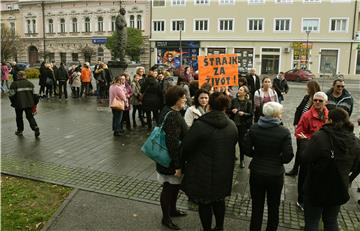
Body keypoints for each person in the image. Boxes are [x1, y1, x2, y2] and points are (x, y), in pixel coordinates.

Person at [181, 92, 238, 231]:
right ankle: (219, 227)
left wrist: (181, 165)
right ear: (225, 108)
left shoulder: (200, 125)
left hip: (202, 170)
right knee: (219, 199)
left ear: (209, 106)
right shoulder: (231, 125)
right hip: (223, 169)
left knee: (205, 203)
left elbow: (186, 147)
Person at [301, 108, 360, 231]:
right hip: (339, 186)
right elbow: (356, 165)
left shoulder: (320, 137)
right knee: (331, 220)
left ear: (330, 120)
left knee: (312, 221)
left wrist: (306, 143)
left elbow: (306, 158)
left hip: (316, 186)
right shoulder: (354, 141)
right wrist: (347, 176)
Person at [244, 101, 294, 231]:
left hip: (256, 171)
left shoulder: (254, 128)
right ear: (276, 114)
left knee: (257, 207)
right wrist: (278, 160)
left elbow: (246, 149)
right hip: (275, 174)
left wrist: (257, 155)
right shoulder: (283, 131)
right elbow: (288, 156)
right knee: (273, 207)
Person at [157, 86, 188, 230]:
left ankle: (173, 210)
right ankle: (166, 218)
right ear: (176, 100)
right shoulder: (173, 116)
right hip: (170, 160)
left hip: (167, 158)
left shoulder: (168, 110)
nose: (185, 99)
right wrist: (177, 165)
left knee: (174, 186)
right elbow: (172, 142)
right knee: (168, 188)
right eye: (183, 98)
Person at [295, 91, 329, 211]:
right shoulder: (306, 115)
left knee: (319, 177)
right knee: (304, 175)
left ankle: (315, 198)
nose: (317, 102)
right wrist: (311, 140)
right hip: (309, 151)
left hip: (323, 154)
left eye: (320, 100)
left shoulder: (329, 116)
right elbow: (299, 132)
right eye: (315, 100)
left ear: (326, 102)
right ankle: (301, 200)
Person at [286, 80, 320, 176]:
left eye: (308, 87)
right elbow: (299, 109)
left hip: (309, 130)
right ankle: (295, 169)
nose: (306, 88)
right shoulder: (307, 97)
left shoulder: (317, 100)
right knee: (299, 149)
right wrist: (296, 123)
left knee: (306, 150)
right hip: (301, 127)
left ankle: (304, 171)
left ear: (312, 88)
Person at [8, 71, 40, 137]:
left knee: (19, 117)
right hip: (29, 103)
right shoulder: (30, 84)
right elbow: (35, 95)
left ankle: (20, 130)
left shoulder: (14, 84)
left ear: (18, 76)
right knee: (30, 117)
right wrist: (34, 103)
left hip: (18, 104)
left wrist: (13, 102)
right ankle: (35, 127)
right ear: (25, 76)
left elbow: (11, 95)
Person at [230, 85, 253, 168]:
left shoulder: (249, 102)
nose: (239, 91)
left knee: (241, 143)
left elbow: (251, 114)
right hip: (233, 124)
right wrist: (232, 111)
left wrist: (244, 114)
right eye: (239, 89)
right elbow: (229, 110)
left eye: (241, 90)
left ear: (245, 93)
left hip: (243, 125)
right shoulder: (234, 100)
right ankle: (232, 157)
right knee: (232, 142)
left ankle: (242, 160)